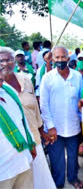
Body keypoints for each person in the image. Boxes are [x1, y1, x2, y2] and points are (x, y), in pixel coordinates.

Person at [0, 47, 55, 188]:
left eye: (9, 60)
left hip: (28, 148)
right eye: (2, 61)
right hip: (4, 167)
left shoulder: (14, 88)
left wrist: (41, 131)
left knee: (41, 181)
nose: (5, 64)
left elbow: (33, 110)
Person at [40, 46, 83, 188]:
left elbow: (81, 99)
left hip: (73, 125)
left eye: (63, 57)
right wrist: (50, 126)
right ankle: (58, 183)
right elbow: (44, 105)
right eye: (57, 57)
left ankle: (72, 178)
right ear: (52, 59)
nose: (60, 60)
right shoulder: (47, 78)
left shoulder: (77, 76)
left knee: (72, 157)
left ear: (68, 58)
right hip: (54, 127)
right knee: (57, 158)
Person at [0, 69, 36, 188]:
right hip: (3, 171)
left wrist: (31, 144)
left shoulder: (9, 92)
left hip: (23, 161)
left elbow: (23, 121)